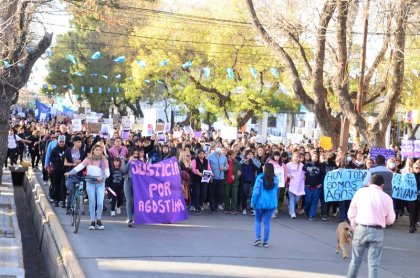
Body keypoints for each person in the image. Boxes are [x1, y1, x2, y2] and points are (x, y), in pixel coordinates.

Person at [347, 174, 396, 278]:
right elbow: (390, 220)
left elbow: (351, 210)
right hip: (377, 231)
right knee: (373, 264)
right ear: (382, 185)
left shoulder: (361, 192)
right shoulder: (387, 198)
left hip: (361, 228)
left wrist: (353, 224)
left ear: (369, 183)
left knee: (355, 261)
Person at [65, 144, 110, 230]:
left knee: (100, 203)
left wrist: (102, 177)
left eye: (99, 150)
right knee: (92, 202)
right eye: (96, 150)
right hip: (90, 182)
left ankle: (99, 220)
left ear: (102, 151)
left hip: (101, 183)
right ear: (93, 150)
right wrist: (70, 172)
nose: (98, 151)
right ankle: (92, 221)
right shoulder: (88, 159)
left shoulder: (104, 160)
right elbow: (79, 167)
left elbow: (107, 173)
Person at [250, 163, 279, 248]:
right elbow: (276, 191)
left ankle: (258, 238)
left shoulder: (260, 178)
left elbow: (256, 191)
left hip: (260, 202)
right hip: (271, 203)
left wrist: (252, 202)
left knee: (258, 220)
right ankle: (265, 241)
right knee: (267, 222)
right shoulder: (276, 179)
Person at [408, 161, 420, 233]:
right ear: (413, 168)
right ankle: (412, 226)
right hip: (411, 196)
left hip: (418, 196)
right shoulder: (410, 176)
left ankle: (414, 223)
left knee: (417, 210)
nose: (418, 169)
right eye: (416, 167)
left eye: (419, 168)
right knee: (412, 211)